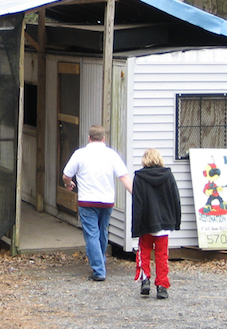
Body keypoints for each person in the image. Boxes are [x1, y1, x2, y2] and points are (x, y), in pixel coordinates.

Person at [62, 125, 132, 282]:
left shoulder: (80, 154)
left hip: (87, 201)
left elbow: (66, 175)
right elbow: (124, 177)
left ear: (89, 138)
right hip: (107, 202)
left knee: (92, 234)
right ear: (103, 138)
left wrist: (68, 184)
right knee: (102, 231)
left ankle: (99, 270)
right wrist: (137, 194)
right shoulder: (111, 155)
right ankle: (100, 261)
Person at [131, 148, 181, 299]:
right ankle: (162, 286)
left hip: (146, 221)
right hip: (164, 223)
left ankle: (145, 279)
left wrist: (136, 226)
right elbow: (175, 199)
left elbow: (137, 203)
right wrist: (176, 221)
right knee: (162, 255)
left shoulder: (139, 177)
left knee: (144, 251)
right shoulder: (168, 175)